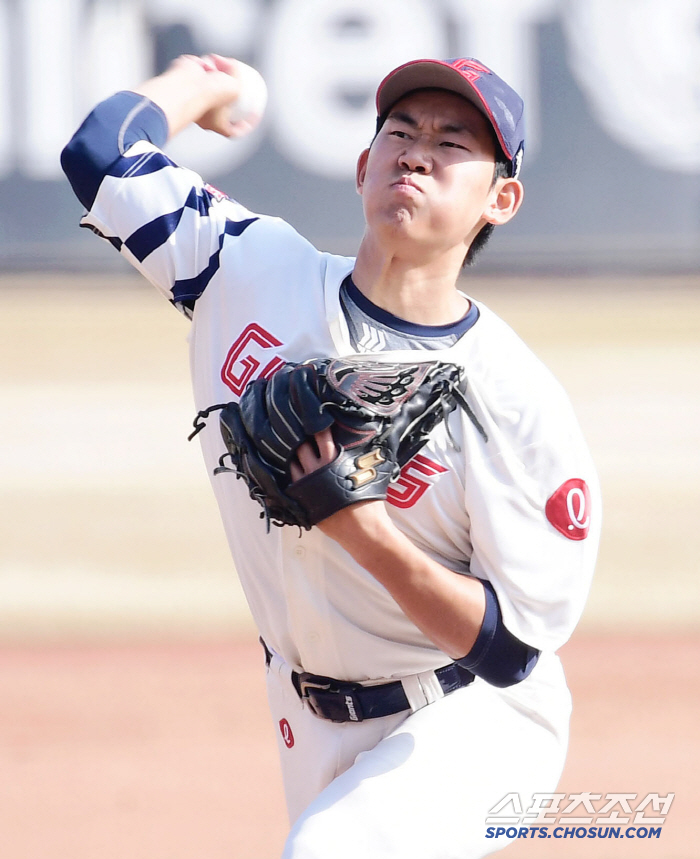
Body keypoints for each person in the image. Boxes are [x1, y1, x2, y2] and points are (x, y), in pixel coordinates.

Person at [62, 54, 600, 859]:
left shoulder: (514, 401)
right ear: (363, 166)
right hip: (307, 714)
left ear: (502, 199)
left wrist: (361, 530)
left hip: (476, 718)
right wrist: (203, 85)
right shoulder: (247, 271)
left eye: (454, 142)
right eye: (399, 132)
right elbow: (101, 155)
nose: (417, 152)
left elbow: (512, 648)